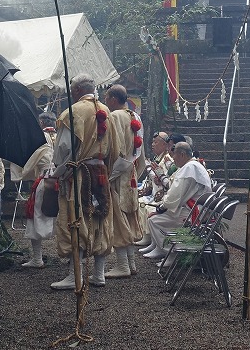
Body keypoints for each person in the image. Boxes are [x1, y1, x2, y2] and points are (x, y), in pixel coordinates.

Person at [50, 74, 114, 290]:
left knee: (75, 219)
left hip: (79, 173)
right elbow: (113, 147)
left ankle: (74, 275)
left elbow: (64, 150)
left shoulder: (72, 113)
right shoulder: (106, 111)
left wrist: (59, 172)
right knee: (99, 217)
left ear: (76, 90)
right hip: (101, 170)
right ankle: (98, 273)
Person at [141, 141, 212, 260]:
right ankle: (158, 246)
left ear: (182, 154)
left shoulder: (190, 167)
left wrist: (161, 208)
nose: (173, 158)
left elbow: (175, 194)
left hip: (194, 213)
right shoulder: (192, 165)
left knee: (154, 219)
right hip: (194, 208)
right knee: (153, 214)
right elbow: (173, 187)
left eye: (174, 154)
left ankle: (171, 253)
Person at [101, 84, 143, 279]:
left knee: (118, 217)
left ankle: (122, 265)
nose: (105, 100)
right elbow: (138, 150)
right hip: (131, 171)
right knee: (129, 214)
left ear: (112, 99)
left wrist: (109, 172)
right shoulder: (135, 116)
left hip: (117, 172)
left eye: (106, 97)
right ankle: (131, 263)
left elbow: (112, 147)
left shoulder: (115, 116)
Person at [19, 116, 57, 269]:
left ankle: (37, 258)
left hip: (44, 181)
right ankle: (72, 258)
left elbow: (28, 163)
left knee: (35, 217)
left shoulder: (42, 137)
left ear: (41, 123)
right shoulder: (58, 135)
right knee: (64, 219)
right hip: (60, 180)